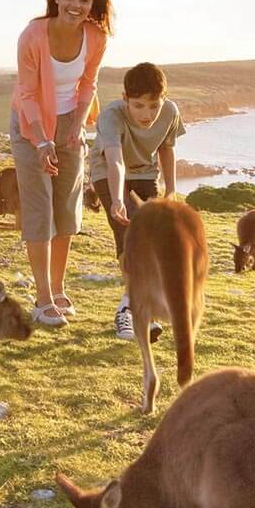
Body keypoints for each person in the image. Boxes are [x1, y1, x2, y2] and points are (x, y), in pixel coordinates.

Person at [10, 0, 110, 327]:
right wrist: (41, 140)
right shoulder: (33, 35)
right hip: (30, 124)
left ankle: (58, 285)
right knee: (40, 206)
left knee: (66, 206)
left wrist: (79, 123)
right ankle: (41, 299)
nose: (76, 5)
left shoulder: (96, 36)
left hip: (71, 121)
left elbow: (88, 84)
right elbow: (27, 93)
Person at [92, 61, 187, 340]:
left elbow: (167, 150)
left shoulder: (170, 112)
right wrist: (118, 200)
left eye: (153, 105)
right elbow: (115, 161)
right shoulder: (111, 116)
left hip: (146, 173)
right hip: (108, 172)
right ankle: (128, 310)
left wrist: (171, 190)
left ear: (163, 100)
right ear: (125, 100)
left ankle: (138, 308)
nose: (147, 115)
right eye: (138, 106)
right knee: (129, 236)